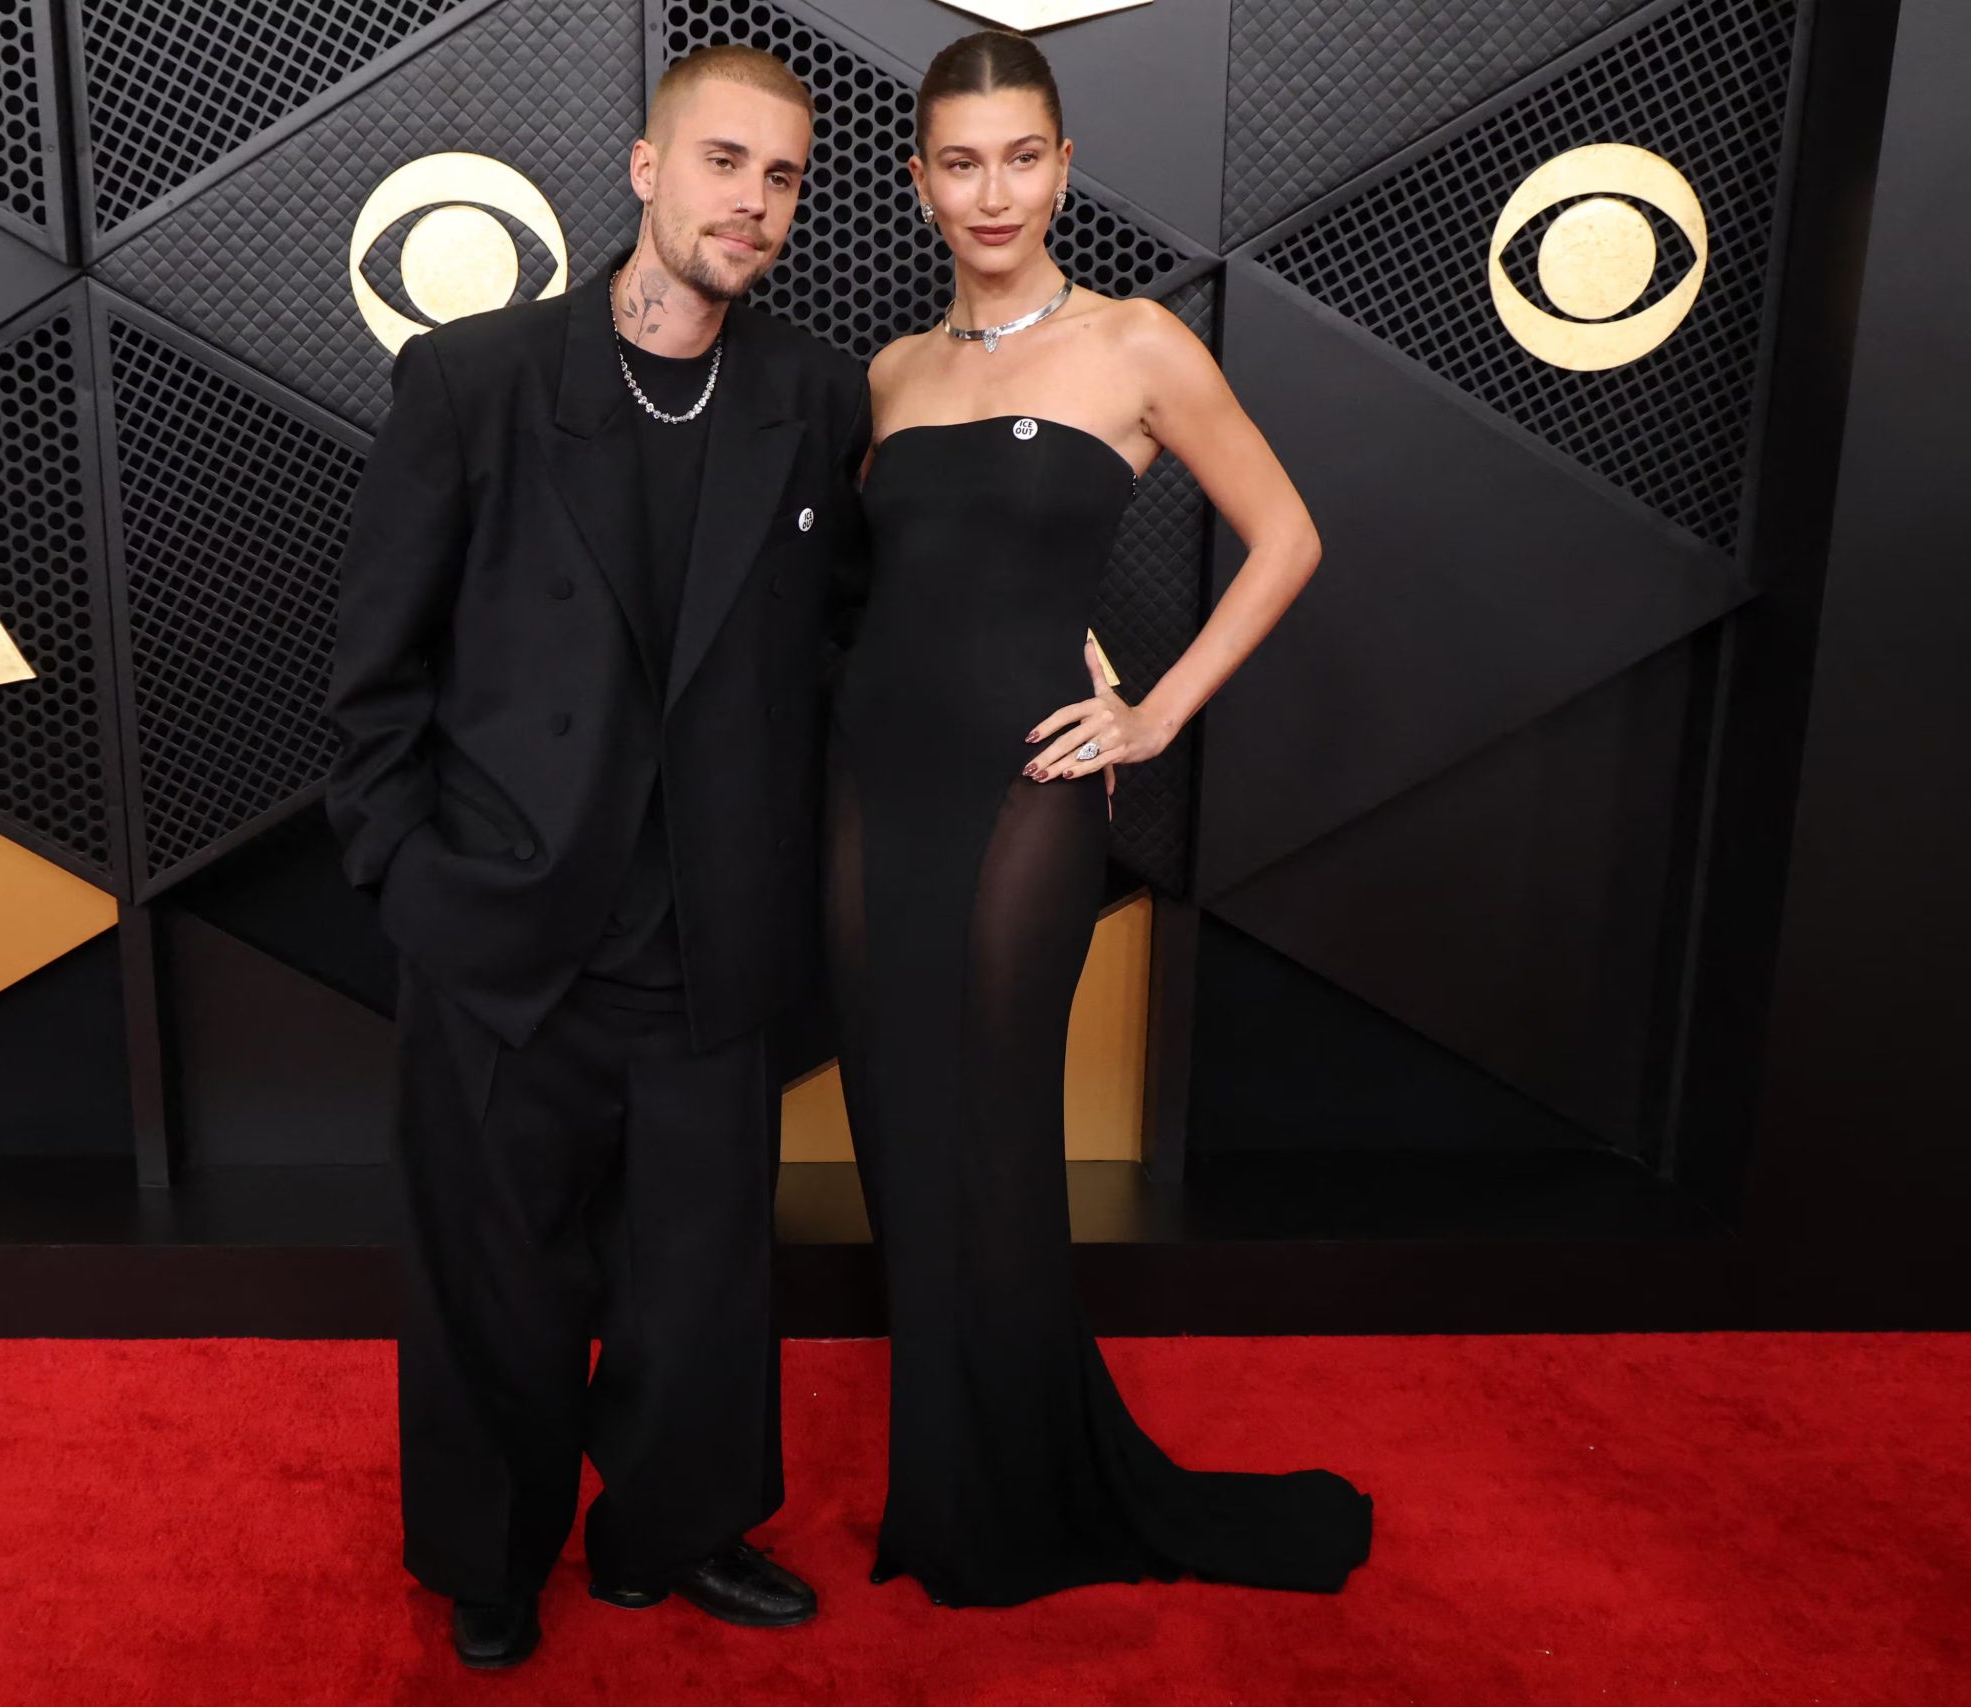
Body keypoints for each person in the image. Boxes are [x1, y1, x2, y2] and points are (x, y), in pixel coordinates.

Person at [322, 44, 873, 1668]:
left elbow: (851, 636)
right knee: (494, 1282)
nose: (752, 205)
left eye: (781, 177)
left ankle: (672, 1535)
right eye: (723, 164)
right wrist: (407, 880)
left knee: (699, 1281)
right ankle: (490, 1560)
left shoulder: (813, 396)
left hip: (712, 931)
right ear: (645, 169)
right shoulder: (475, 382)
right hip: (503, 931)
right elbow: (376, 670)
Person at [823, 28, 1376, 1609]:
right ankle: (947, 1488)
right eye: (959, 160)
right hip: (874, 784)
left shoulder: (1140, 346)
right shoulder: (892, 375)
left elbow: (1286, 536)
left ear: (1062, 165)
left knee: (992, 1137)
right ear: (921, 182)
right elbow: (890, 588)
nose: (991, 190)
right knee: (896, 1141)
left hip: (1026, 793)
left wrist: (1154, 708)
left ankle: (1015, 1507)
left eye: (1020, 156)